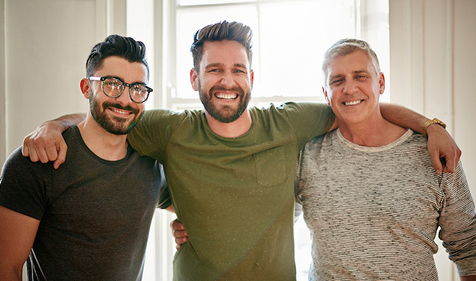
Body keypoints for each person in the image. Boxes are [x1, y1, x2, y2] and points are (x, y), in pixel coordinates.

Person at [21, 21, 461, 281]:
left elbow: (357, 104)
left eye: (237, 70)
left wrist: (429, 125)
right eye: (214, 69)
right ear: (195, 80)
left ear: (252, 76)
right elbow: (108, 112)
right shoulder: (168, 130)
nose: (227, 81)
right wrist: (54, 125)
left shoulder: (288, 124)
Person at [294, 39, 476, 280]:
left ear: (380, 83)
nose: (349, 89)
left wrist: (432, 128)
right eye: (338, 80)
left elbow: (468, 249)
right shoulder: (307, 155)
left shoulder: (433, 152)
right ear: (326, 93)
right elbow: (276, 227)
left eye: (360, 76)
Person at [0, 35, 172, 281]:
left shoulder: (151, 165)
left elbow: (196, 209)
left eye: (137, 88)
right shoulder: (36, 162)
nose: (125, 99)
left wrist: (187, 230)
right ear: (86, 88)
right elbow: (6, 268)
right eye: (112, 83)